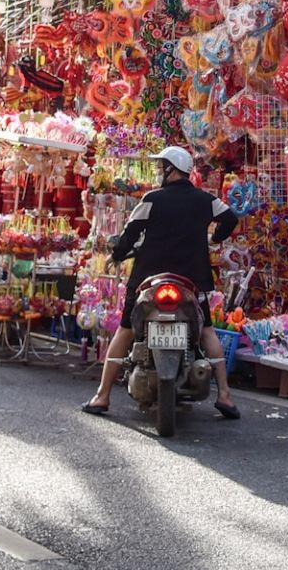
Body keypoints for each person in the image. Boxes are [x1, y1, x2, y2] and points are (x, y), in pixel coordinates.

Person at [83, 145, 241, 420]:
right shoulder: (206, 200)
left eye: (161, 167)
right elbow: (230, 219)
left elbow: (130, 234)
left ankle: (102, 395)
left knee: (126, 330)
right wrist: (214, 239)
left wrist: (116, 255)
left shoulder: (152, 199)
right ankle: (225, 394)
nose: (159, 172)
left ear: (171, 169)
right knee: (206, 332)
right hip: (193, 278)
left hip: (148, 276)